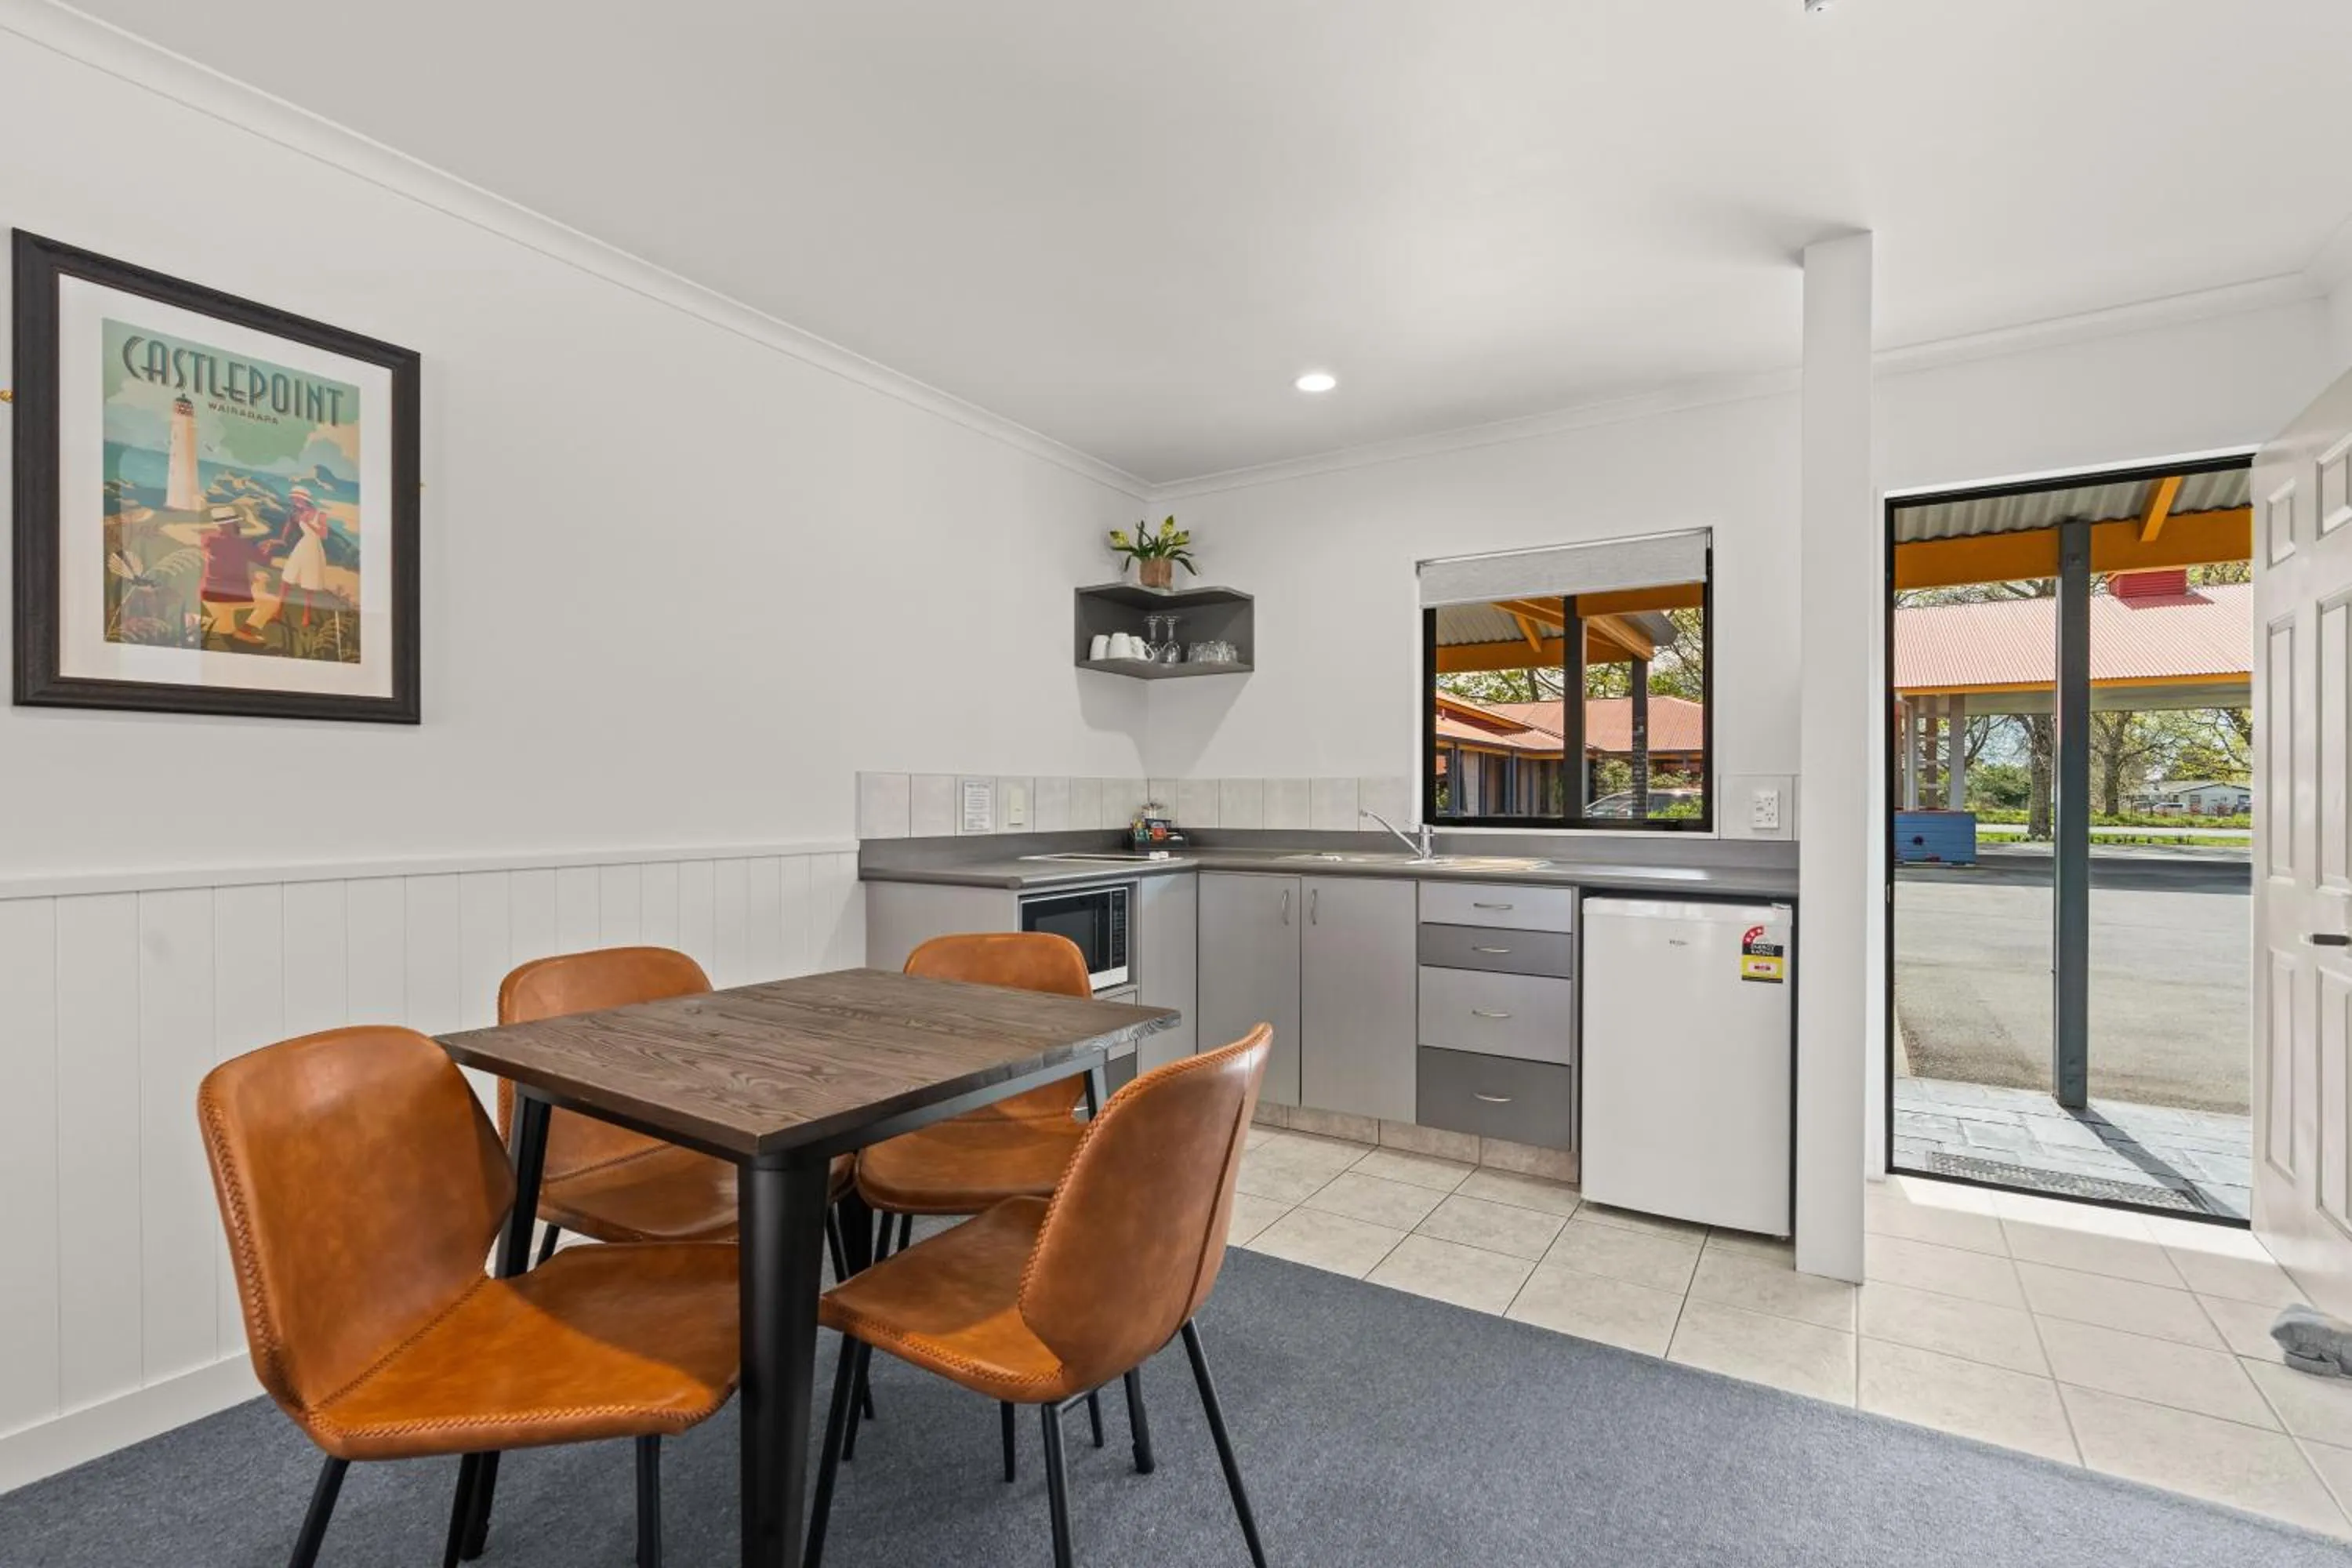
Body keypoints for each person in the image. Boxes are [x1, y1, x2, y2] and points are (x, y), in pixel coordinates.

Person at [198, 504, 268, 645]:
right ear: (234, 523)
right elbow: (263, 560)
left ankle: (194, 619)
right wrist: (266, 548)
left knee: (226, 629)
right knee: (270, 603)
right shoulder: (243, 543)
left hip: (209, 594)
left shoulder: (208, 538)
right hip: (232, 597)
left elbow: (221, 553)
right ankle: (246, 629)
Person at [276, 485, 332, 628]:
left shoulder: (320, 514)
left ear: (304, 499)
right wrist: (282, 539)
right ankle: (278, 610)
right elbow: (288, 525)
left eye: (296, 499)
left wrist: (308, 524)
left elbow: (324, 535)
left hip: (314, 548)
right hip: (303, 546)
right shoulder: (296, 513)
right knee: (287, 577)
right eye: (293, 499)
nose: (294, 501)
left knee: (309, 583)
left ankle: (306, 615)